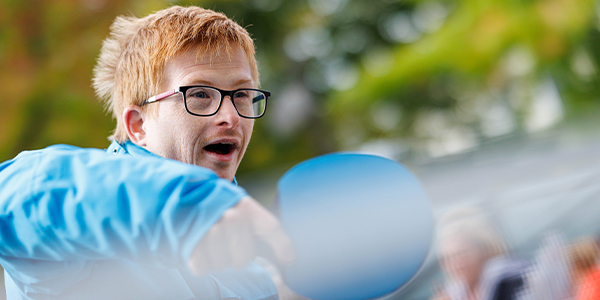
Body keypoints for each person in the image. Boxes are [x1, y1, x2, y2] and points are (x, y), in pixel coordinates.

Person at [0, 5, 295, 300]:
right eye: (200, 94)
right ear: (138, 125)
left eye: (241, 95)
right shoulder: (82, 240)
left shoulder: (254, 276)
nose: (230, 117)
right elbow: (16, 193)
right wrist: (184, 201)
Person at [431, 207, 527, 300]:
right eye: (448, 258)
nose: (456, 264)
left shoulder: (513, 281)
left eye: (462, 254)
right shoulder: (453, 292)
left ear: (484, 249)